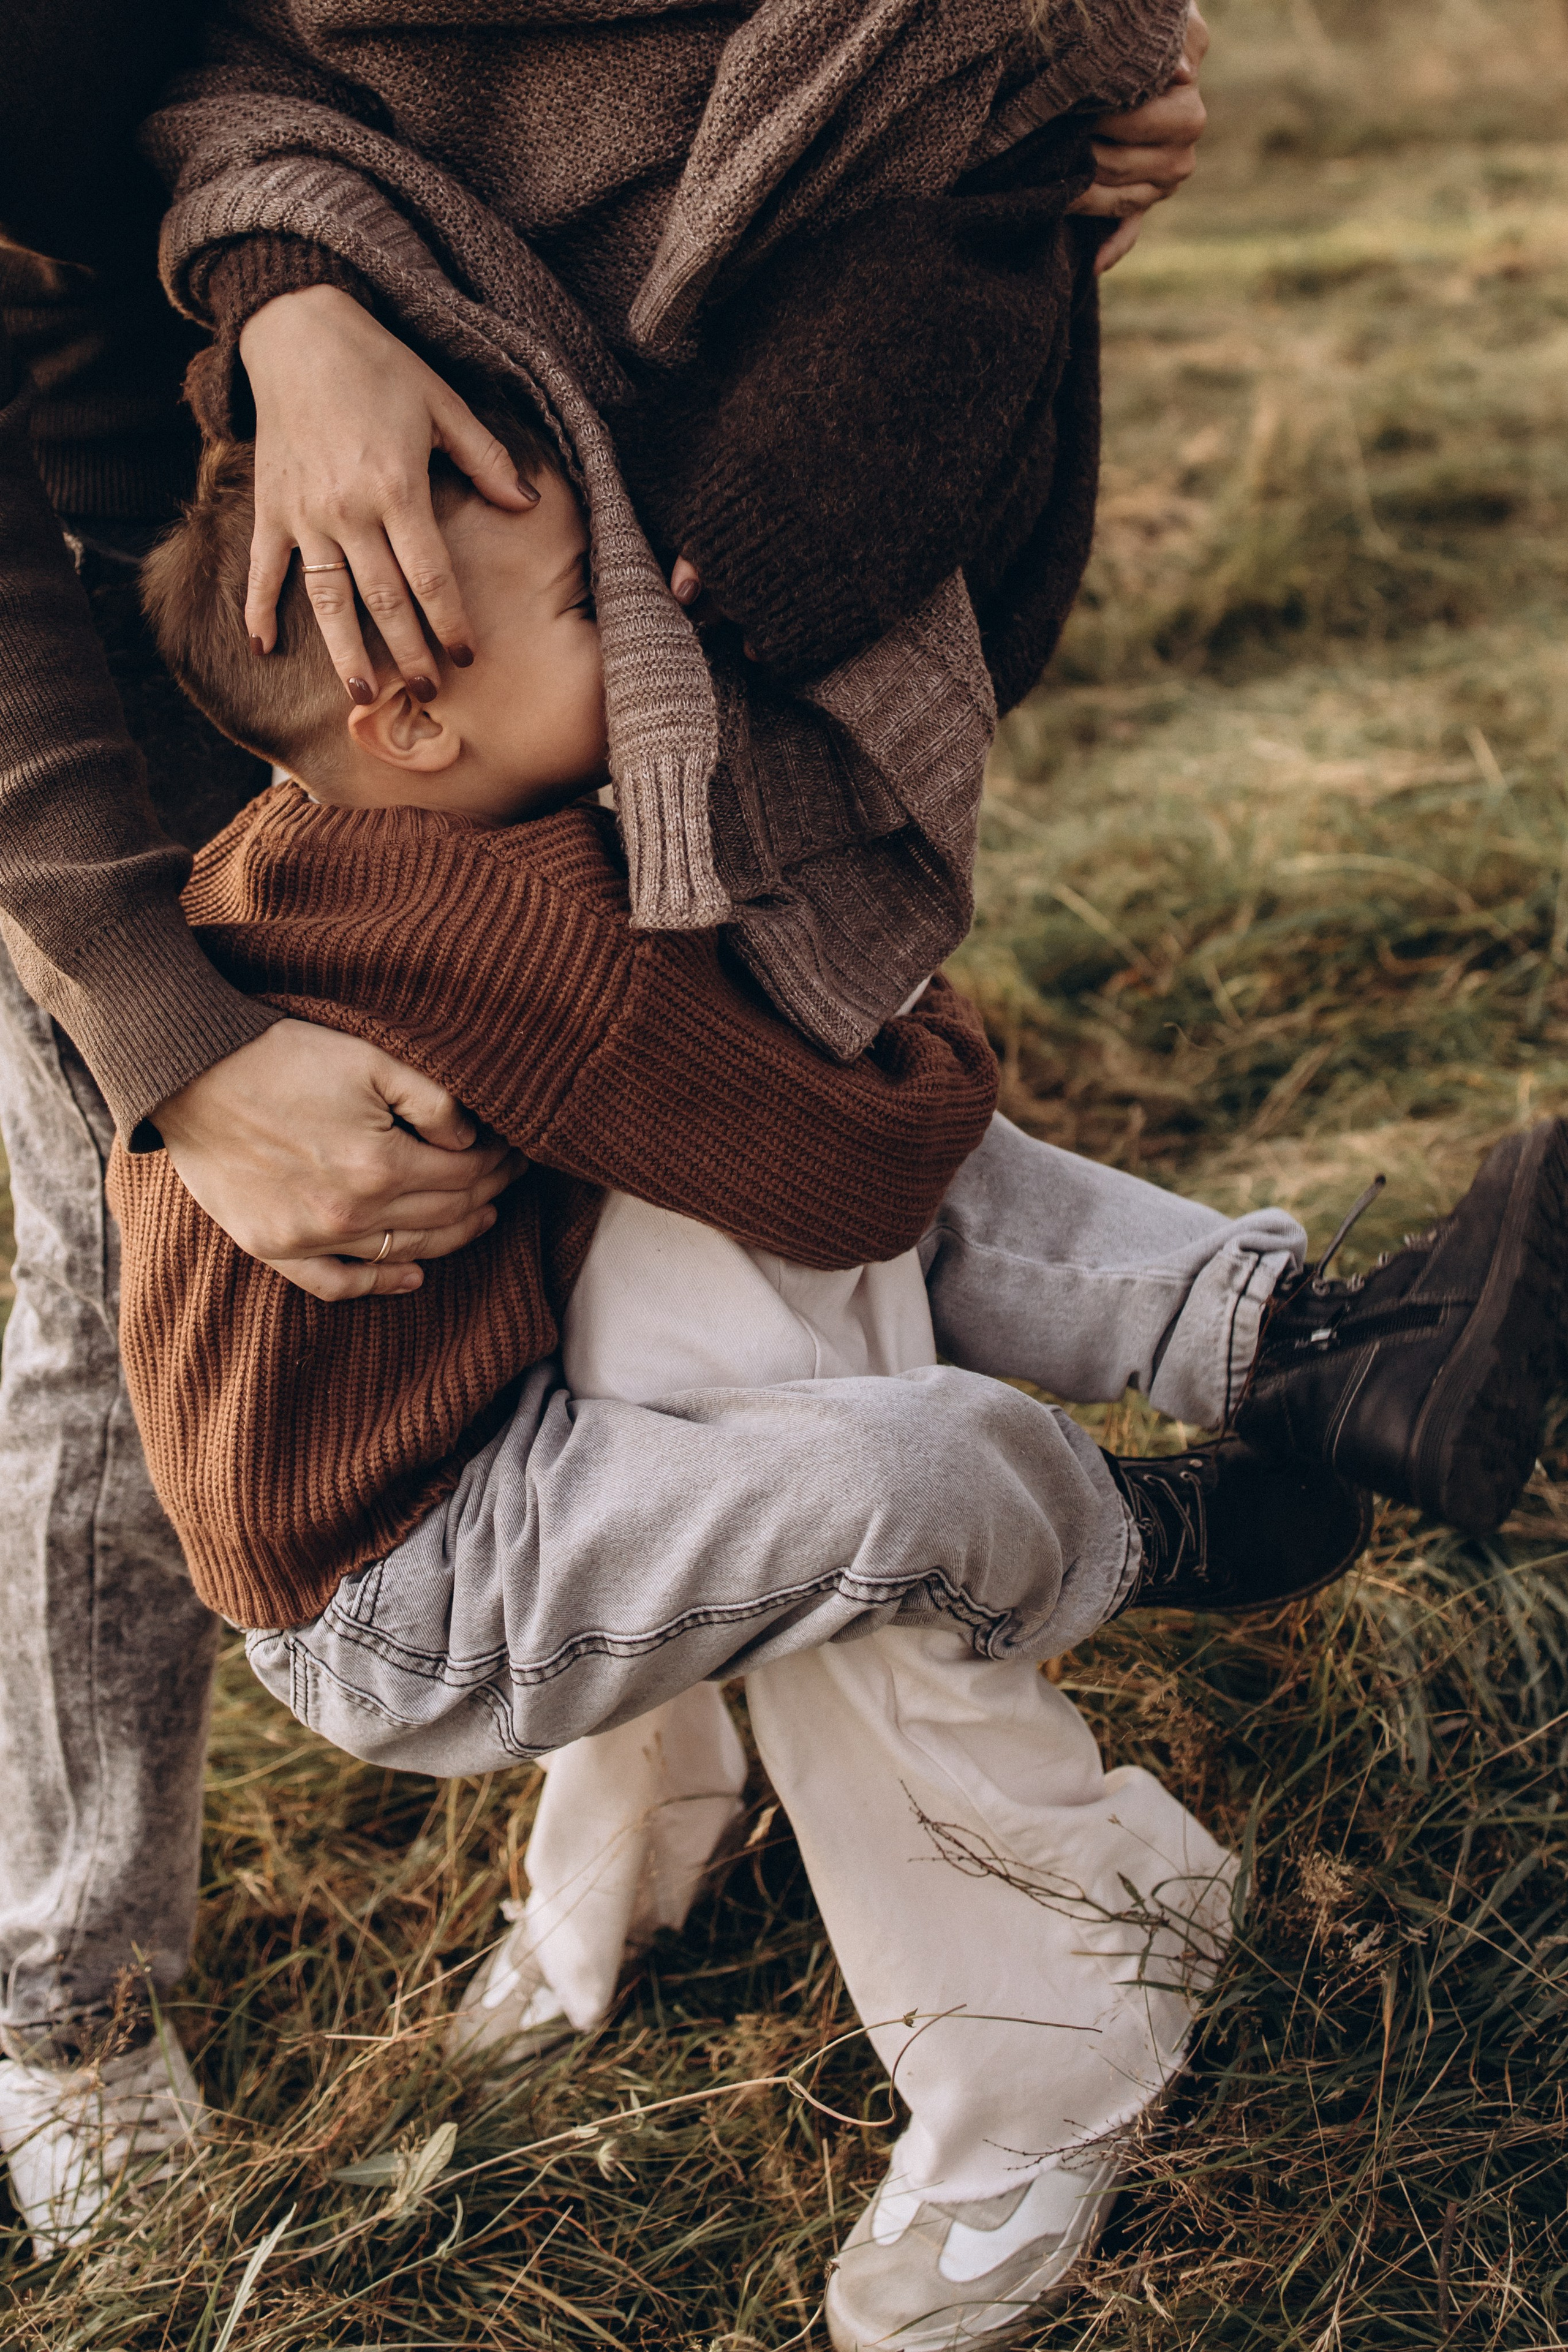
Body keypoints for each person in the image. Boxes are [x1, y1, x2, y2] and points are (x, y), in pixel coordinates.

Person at [115, 413, 1568, 2345]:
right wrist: (900, 1017)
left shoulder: (327, 848)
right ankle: (1145, 1526)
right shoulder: (514, 927)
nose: (654, 619)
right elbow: (874, 1157)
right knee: (911, 1458)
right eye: (585, 601)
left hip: (480, 1432)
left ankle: (1308, 1350)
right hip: (422, 1586)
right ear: (412, 718)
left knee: (767, 1195)